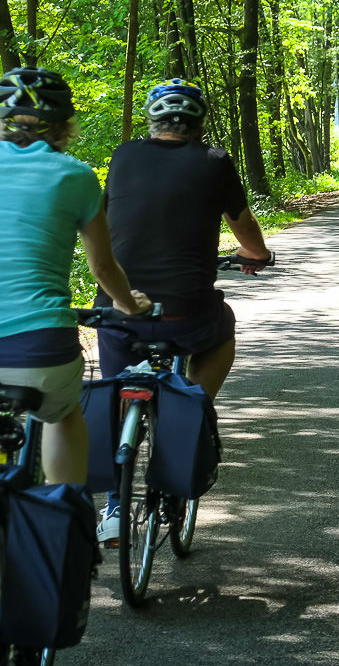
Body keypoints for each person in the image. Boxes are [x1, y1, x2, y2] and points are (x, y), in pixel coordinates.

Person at [0, 67, 152, 482]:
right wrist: (129, 305)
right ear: (65, 127)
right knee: (62, 416)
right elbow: (102, 267)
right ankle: (64, 524)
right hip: (40, 348)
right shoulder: (76, 176)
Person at [93, 77, 272, 543]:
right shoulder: (214, 161)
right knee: (221, 330)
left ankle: (114, 508)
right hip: (187, 312)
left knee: (115, 390)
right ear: (199, 124)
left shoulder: (123, 155)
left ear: (152, 121)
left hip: (119, 311)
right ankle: (190, 410)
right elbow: (242, 222)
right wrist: (258, 254)